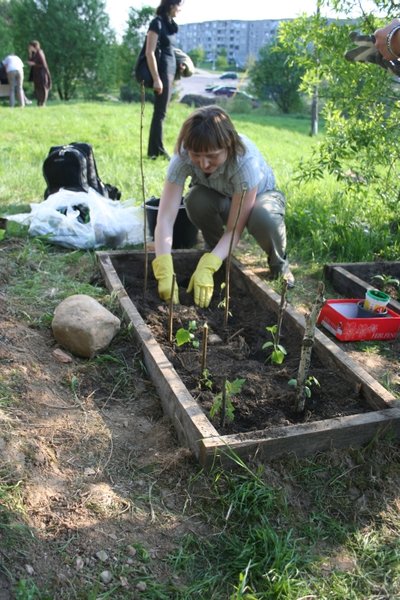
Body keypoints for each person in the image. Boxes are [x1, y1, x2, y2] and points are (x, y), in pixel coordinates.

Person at [152, 105, 294, 308]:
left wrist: (207, 267)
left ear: (228, 145)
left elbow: (234, 229)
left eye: (212, 156)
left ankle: (279, 265)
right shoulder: (183, 155)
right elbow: (165, 217)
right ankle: (216, 253)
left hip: (260, 197)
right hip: (220, 195)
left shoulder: (245, 162)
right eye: (196, 155)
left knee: (263, 217)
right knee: (195, 200)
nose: (204, 163)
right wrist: (163, 265)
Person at [145, 0, 182, 160]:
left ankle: (156, 149)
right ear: (172, 5)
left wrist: (179, 66)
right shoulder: (157, 23)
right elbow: (149, 52)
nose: (180, 10)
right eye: (179, 6)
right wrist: (156, 79)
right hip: (162, 74)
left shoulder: (170, 26)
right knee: (159, 113)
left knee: (162, 113)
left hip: (170, 73)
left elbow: (170, 51)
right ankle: (156, 151)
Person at [27, 40, 51, 106]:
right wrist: (30, 53)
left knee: (43, 88)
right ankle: (39, 102)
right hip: (36, 74)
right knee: (37, 88)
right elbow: (30, 60)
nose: (29, 48)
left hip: (41, 73)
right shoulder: (34, 54)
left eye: (30, 47)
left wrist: (34, 64)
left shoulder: (40, 53)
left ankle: (43, 103)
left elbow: (44, 65)